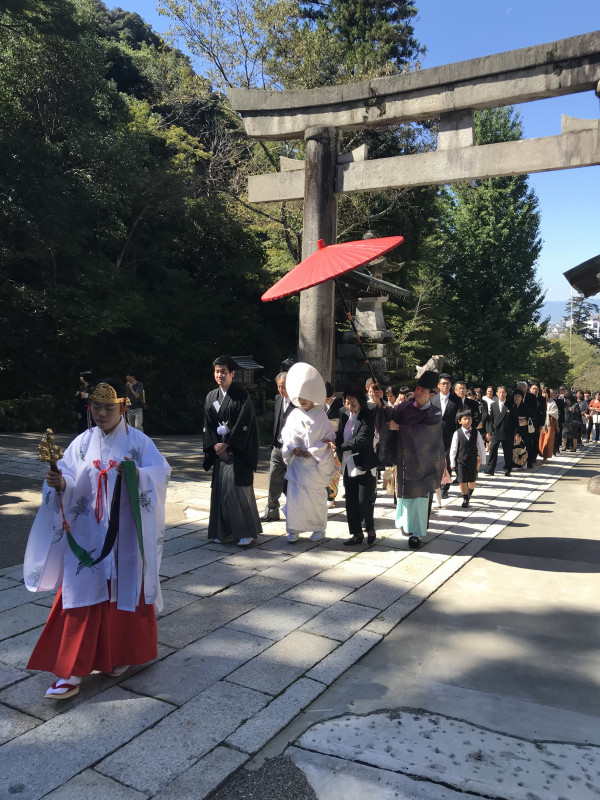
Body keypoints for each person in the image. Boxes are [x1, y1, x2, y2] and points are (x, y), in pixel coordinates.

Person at [24, 379, 170, 700]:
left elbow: (160, 475)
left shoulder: (141, 443)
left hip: (125, 535)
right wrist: (60, 482)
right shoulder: (81, 443)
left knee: (123, 590)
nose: (102, 414)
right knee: (82, 594)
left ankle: (118, 655)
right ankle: (71, 672)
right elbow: (69, 476)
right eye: (96, 407)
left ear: (123, 407)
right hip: (88, 533)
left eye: (109, 407)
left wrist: (134, 476)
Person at [378, 370, 444, 550]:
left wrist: (400, 427)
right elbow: (389, 417)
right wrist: (380, 402)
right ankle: (406, 525)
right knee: (405, 496)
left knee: (420, 498)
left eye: (423, 390)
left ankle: (417, 532)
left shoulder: (435, 413)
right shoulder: (404, 407)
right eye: (417, 388)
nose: (418, 391)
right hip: (405, 460)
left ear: (431, 394)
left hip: (424, 463)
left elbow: (427, 434)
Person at [203, 355, 262, 546]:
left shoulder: (242, 395)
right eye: (217, 371)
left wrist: (227, 445)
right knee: (222, 492)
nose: (220, 375)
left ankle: (247, 532)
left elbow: (245, 424)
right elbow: (208, 426)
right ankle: (223, 531)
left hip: (238, 452)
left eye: (224, 371)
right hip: (220, 452)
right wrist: (217, 448)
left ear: (232, 374)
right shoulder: (211, 396)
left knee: (239, 491)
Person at [280, 362, 335, 544]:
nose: (302, 400)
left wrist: (312, 451)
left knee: (315, 500)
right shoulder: (294, 415)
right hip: (297, 464)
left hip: (313, 466)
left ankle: (319, 528)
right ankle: (293, 529)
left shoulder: (321, 416)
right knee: (295, 499)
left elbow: (328, 439)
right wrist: (291, 448)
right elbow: (286, 434)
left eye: (305, 396)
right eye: (299, 397)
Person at [336, 386, 379, 547]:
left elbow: (361, 440)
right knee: (351, 501)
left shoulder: (367, 416)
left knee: (363, 500)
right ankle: (356, 533)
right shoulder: (344, 413)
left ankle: (370, 528)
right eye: (347, 403)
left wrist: (340, 446)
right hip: (348, 463)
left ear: (361, 403)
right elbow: (340, 434)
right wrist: (336, 442)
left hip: (364, 463)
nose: (350, 407)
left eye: (353, 404)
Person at [262, 372, 293, 522]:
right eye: (279, 387)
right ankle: (271, 510)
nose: (281, 390)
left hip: (293, 449)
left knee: (292, 482)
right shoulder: (278, 399)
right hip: (277, 446)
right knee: (273, 477)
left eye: (284, 387)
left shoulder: (299, 402)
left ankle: (295, 510)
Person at [450, 410, 486, 507]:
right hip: (460, 460)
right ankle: (465, 497)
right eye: (465, 419)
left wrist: (483, 459)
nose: (467, 421)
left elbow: (481, 447)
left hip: (472, 459)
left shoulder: (476, 432)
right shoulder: (457, 433)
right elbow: (453, 449)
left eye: (469, 419)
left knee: (472, 480)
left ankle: (469, 492)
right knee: (462, 480)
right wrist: (452, 463)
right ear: (460, 421)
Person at [431, 373, 459, 497]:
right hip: (435, 435)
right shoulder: (433, 399)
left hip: (451, 435)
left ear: (450, 385)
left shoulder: (456, 400)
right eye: (443, 383)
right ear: (438, 385)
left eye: (447, 383)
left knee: (447, 459)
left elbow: (459, 417)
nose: (445, 385)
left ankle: (445, 486)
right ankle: (436, 483)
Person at [324, 381, 343, 508]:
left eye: (327, 398)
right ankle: (324, 493)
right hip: (322, 442)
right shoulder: (320, 406)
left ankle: (331, 495)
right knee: (323, 470)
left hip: (335, 443)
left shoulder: (340, 406)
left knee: (334, 471)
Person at [538, 387, 559, 463]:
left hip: (550, 423)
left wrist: (557, 425)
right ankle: (541, 454)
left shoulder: (552, 403)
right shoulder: (540, 402)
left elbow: (555, 414)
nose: (544, 394)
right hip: (542, 423)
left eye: (546, 393)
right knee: (541, 439)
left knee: (548, 440)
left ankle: (546, 456)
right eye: (543, 393)